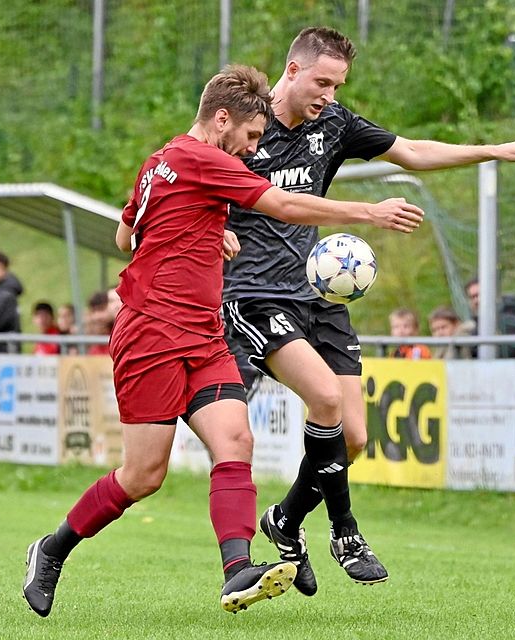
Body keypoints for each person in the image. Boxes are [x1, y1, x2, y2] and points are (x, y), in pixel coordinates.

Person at [21, 64, 423, 618]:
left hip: (204, 332)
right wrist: (367, 211)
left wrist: (207, 226)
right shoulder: (203, 159)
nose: (256, 151)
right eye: (252, 138)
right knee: (144, 475)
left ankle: (238, 569)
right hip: (151, 336)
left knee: (235, 440)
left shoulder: (161, 161)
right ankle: (52, 548)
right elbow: (282, 205)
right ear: (222, 120)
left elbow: (125, 234)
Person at [223, 26, 515, 595]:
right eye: (322, 81)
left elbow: (414, 152)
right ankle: (345, 531)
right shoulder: (245, 125)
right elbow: (191, 181)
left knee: (351, 437)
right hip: (255, 294)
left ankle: (286, 521)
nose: (329, 93)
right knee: (324, 400)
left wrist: (492, 150)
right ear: (292, 69)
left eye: (338, 83)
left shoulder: (336, 123)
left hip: (318, 292)